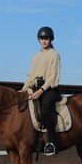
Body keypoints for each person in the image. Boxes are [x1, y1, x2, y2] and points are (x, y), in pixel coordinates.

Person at [20, 26, 61, 156]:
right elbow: (30, 75)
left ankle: (53, 142)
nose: (44, 41)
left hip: (49, 88)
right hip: (35, 87)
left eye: (46, 38)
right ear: (39, 39)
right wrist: (23, 90)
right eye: (42, 38)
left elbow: (53, 77)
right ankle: (37, 139)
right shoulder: (35, 56)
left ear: (50, 39)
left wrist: (41, 90)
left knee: (44, 110)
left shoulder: (54, 55)